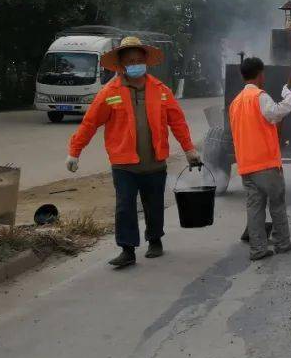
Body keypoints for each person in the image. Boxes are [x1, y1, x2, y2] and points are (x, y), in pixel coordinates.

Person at [66, 36, 200, 269]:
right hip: (124, 164)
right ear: (122, 65)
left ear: (145, 61)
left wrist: (189, 149)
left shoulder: (161, 91)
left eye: (139, 59)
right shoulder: (109, 92)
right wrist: (74, 151)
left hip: (155, 162)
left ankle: (155, 240)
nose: (135, 63)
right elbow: (89, 123)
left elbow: (177, 122)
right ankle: (127, 249)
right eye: (130, 60)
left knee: (154, 204)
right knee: (125, 206)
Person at [229, 57, 291, 261]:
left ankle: (258, 249)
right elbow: (276, 113)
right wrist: (288, 95)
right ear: (260, 74)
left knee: (255, 206)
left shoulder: (235, 102)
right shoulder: (259, 96)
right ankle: (283, 242)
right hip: (265, 164)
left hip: (246, 165)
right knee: (277, 203)